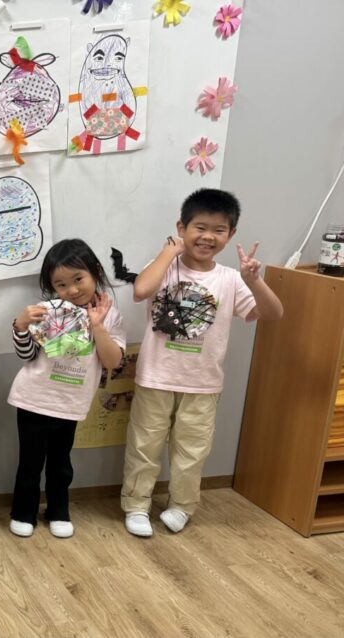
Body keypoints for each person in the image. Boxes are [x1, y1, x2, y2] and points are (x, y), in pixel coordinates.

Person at [121, 189, 283, 537]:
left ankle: (182, 506)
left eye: (219, 230)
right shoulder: (163, 266)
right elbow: (140, 291)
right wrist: (168, 253)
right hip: (155, 377)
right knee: (144, 445)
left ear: (231, 234)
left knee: (192, 450)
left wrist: (254, 280)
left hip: (203, 383)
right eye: (200, 227)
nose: (208, 236)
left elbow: (273, 313)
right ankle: (136, 505)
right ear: (181, 227)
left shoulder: (230, 279)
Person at [8, 239, 125, 539]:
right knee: (30, 463)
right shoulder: (48, 311)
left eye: (78, 279)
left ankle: (58, 510)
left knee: (61, 464)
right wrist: (20, 326)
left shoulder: (110, 314)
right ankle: (23, 512)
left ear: (95, 271)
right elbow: (27, 355)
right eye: (61, 285)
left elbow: (112, 362)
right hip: (34, 398)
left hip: (71, 402)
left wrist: (97, 326)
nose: (72, 290)